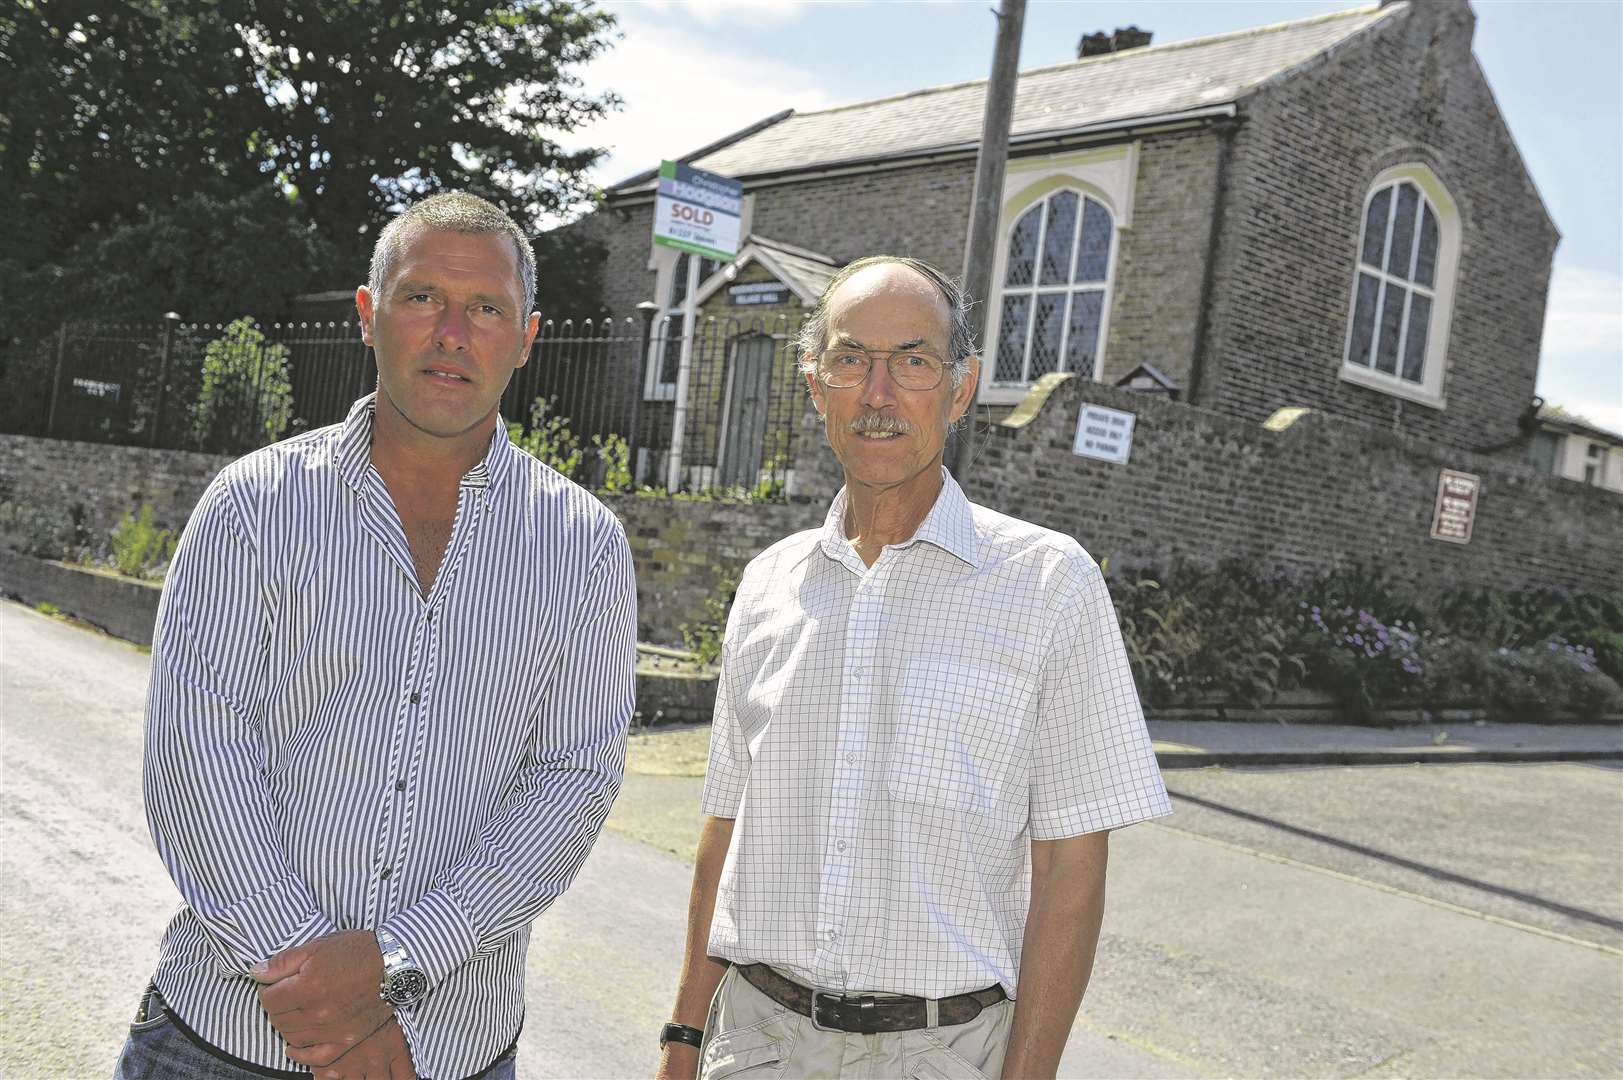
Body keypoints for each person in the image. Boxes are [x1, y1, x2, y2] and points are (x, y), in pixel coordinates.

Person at [116, 192, 637, 1080]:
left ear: (527, 336)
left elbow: (571, 780)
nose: (451, 333)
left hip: (455, 1053)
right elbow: (196, 755)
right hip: (222, 1043)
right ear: (368, 315)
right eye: (421, 297)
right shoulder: (255, 507)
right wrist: (324, 1000)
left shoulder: (584, 545)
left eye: (486, 309)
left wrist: (394, 962)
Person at [655, 256, 1171, 1080]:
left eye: (913, 361)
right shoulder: (767, 586)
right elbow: (726, 829)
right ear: (816, 382)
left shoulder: (1048, 582)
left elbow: (1070, 871)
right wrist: (683, 1040)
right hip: (754, 1043)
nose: (878, 392)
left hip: (944, 1053)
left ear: (960, 390)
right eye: (852, 358)